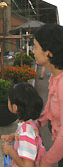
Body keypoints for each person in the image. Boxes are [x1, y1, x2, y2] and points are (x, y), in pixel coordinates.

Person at [33, 23, 63, 167]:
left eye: (35, 47)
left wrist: (46, 161)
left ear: (49, 52)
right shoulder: (54, 78)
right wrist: (37, 122)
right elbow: (51, 108)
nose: (33, 51)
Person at [1, 83, 45, 166]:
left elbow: (27, 165)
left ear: (15, 107)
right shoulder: (31, 123)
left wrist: (10, 151)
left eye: (8, 100)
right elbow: (31, 138)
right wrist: (13, 136)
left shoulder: (26, 132)